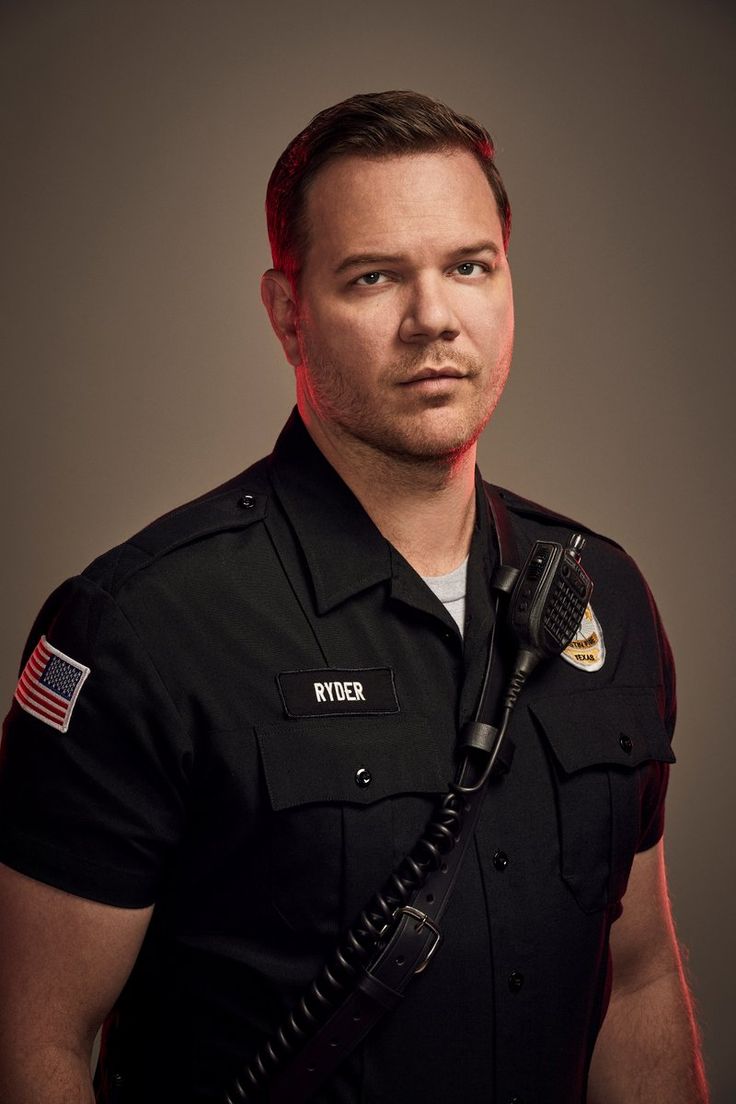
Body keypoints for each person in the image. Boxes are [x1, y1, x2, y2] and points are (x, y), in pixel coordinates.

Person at [0, 90, 708, 1104]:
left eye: (470, 267)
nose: (433, 318)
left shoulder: (601, 597)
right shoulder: (143, 626)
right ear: (289, 315)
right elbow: (36, 1046)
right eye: (373, 277)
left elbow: (635, 980)